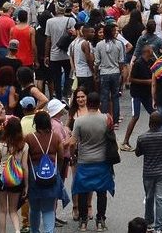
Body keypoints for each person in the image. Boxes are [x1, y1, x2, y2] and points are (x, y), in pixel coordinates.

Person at [69, 93, 115, 232]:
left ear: (88, 103)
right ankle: (100, 220)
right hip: (102, 161)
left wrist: (72, 156)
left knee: (83, 191)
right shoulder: (107, 119)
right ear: (99, 103)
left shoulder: (79, 121)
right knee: (102, 192)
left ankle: (83, 221)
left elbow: (72, 143)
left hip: (84, 161)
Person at [135, 110, 162, 233]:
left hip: (148, 173)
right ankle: (159, 227)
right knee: (161, 200)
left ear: (149, 123)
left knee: (149, 198)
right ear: (161, 123)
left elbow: (138, 153)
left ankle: (148, 223)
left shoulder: (142, 137)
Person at [0, 117, 29, 233]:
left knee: (2, 210)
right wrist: (26, 185)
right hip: (17, 179)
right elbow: (24, 166)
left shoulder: (0, 145)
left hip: (1, 178)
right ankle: (17, 230)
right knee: (13, 210)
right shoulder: (24, 146)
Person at [25, 111, 66, 233]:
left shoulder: (29, 138)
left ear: (36, 123)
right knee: (48, 209)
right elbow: (62, 156)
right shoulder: (56, 137)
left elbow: (25, 159)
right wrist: (57, 171)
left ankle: (35, 231)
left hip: (34, 176)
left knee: (34, 209)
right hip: (51, 175)